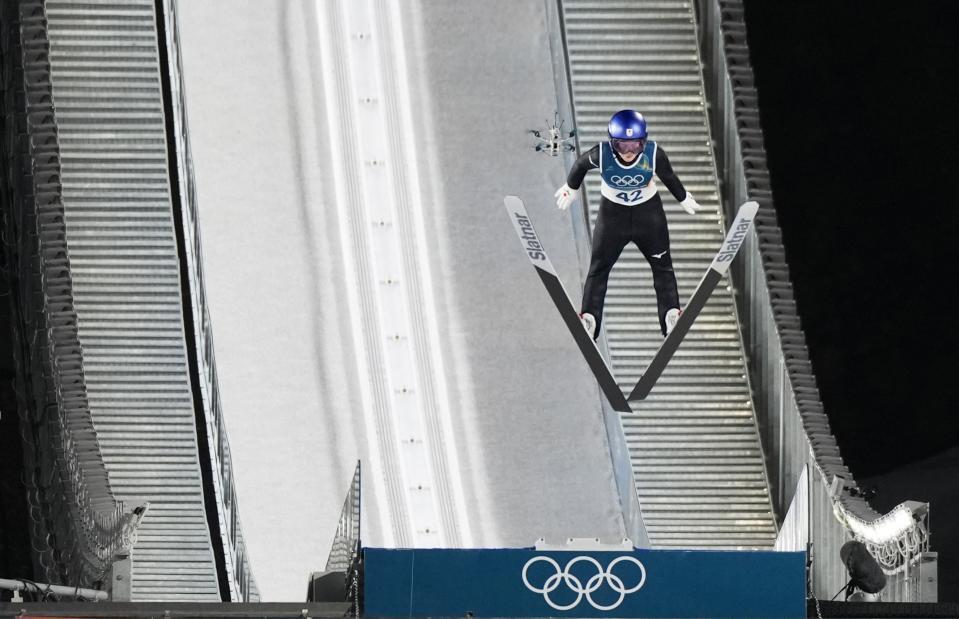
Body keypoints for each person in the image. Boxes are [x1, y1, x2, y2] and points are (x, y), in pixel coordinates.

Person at [555, 109, 700, 339]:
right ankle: (590, 318)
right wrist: (571, 188)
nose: (630, 152)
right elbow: (581, 165)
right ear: (613, 144)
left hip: (648, 216)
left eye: (636, 145)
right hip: (613, 218)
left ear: (645, 142)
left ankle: (670, 313)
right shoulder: (601, 154)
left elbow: (669, 177)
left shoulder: (654, 154)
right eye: (624, 146)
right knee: (599, 268)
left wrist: (683, 197)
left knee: (662, 266)